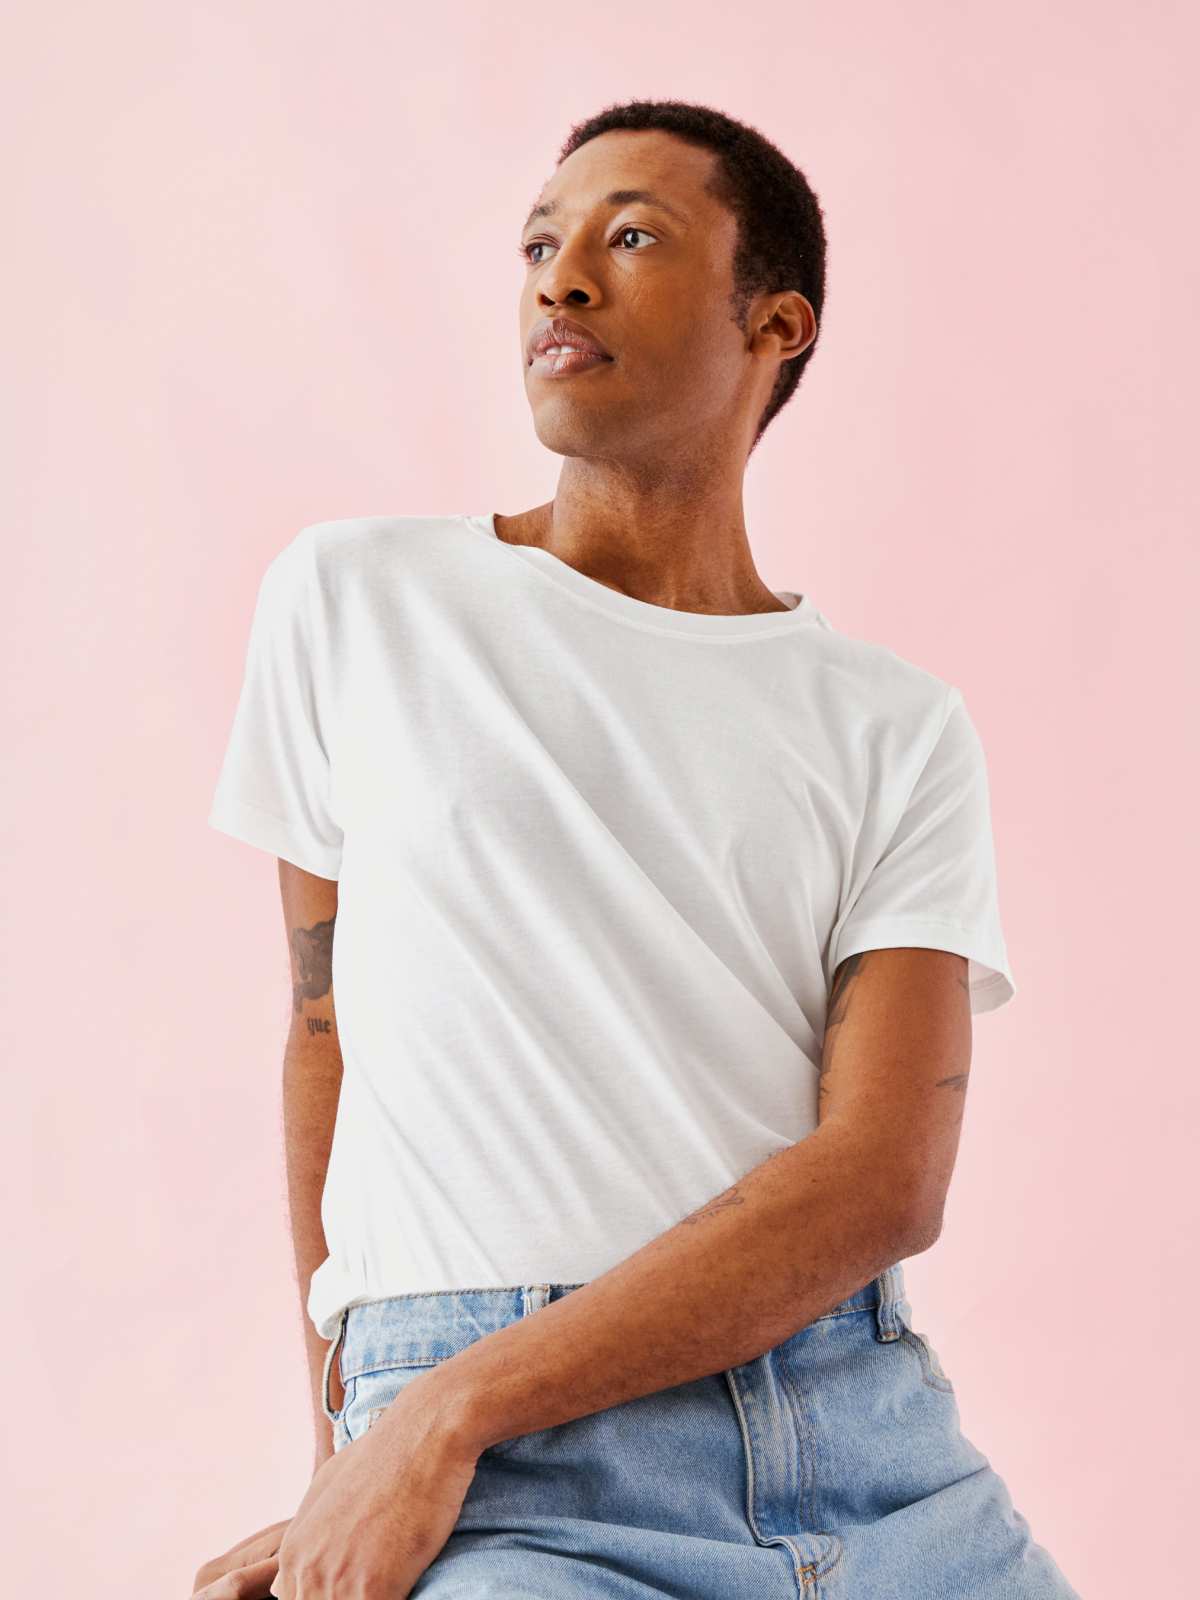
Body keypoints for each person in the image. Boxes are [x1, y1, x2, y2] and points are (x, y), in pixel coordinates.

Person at [194, 98, 1080, 1600]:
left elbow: (882, 1178)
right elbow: (325, 1036)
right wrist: (365, 1456)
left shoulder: (894, 727)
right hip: (516, 1485)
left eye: (633, 237)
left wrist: (439, 1420)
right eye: (540, 243)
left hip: (866, 1442)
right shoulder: (357, 601)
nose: (561, 277)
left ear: (775, 324)